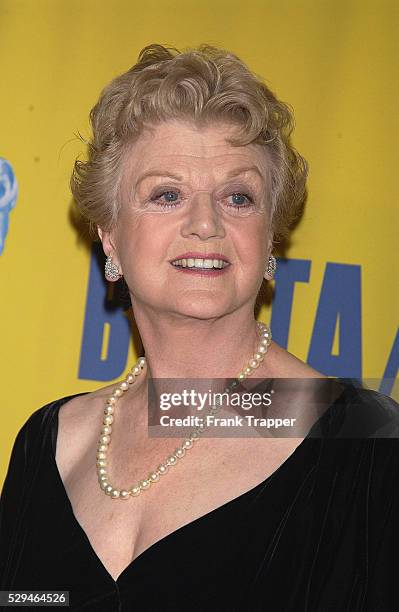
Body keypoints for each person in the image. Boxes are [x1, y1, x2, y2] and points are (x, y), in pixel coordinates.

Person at [1, 43, 398, 611]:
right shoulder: (50, 442)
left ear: (270, 239)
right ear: (110, 235)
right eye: (167, 195)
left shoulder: (364, 448)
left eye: (238, 197)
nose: (206, 224)